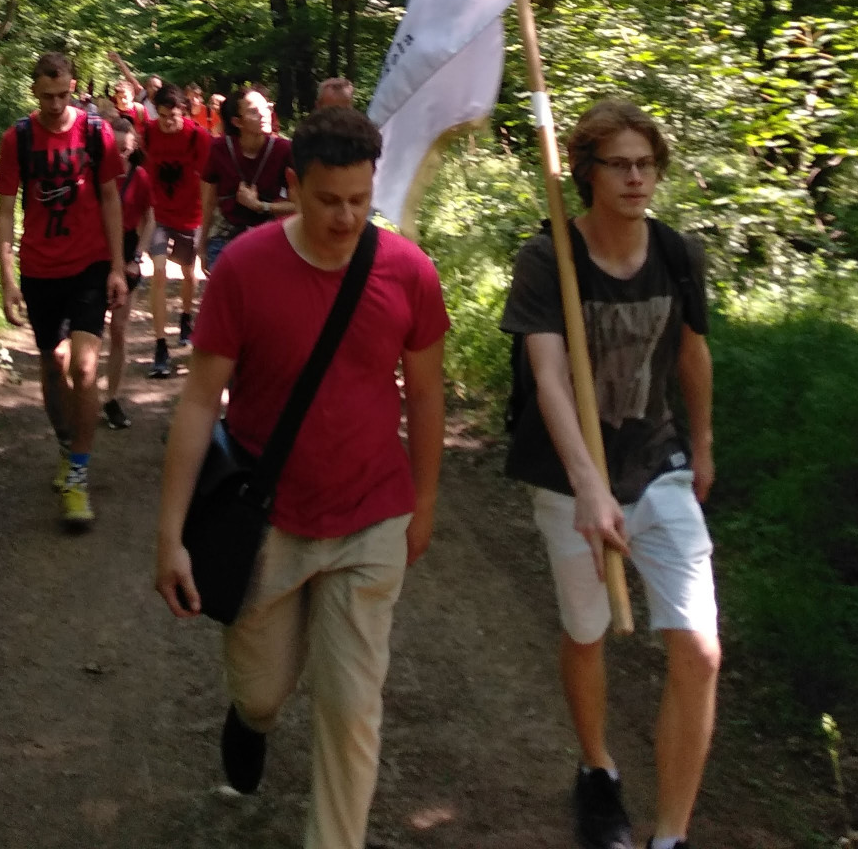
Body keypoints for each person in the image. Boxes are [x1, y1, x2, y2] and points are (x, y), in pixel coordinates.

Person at [156, 107, 449, 849]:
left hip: (372, 516)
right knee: (262, 692)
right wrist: (170, 535)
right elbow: (199, 402)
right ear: (292, 184)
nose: (346, 217)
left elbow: (426, 395)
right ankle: (249, 720)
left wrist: (423, 504)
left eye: (360, 199)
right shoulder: (245, 269)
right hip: (268, 520)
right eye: (327, 200)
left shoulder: (408, 272)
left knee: (351, 710)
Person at [500, 99, 718, 849]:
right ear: (586, 172)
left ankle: (671, 836)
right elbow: (549, 376)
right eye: (619, 164)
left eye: (646, 164)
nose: (635, 178)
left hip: (657, 463)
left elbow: (692, 352)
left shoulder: (677, 254)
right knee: (587, 628)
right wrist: (588, 485)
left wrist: (704, 444)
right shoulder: (549, 259)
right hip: (568, 475)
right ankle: (598, 770)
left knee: (700, 648)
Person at [0, 51, 128, 529]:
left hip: (89, 265)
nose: (54, 105)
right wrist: (8, 279)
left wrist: (117, 267)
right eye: (46, 95)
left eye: (62, 95)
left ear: (73, 87)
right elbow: (5, 212)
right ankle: (66, 445)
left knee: (85, 369)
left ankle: (78, 476)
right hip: (39, 269)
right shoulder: (18, 138)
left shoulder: (96, 132)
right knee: (54, 363)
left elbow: (110, 197)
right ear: (34, 89)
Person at [141, 83, 212, 377]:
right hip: (159, 215)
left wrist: (207, 222)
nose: (168, 122)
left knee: (188, 272)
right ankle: (160, 346)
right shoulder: (148, 133)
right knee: (158, 272)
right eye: (163, 115)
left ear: (184, 111)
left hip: (190, 216)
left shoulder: (197, 137)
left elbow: (208, 182)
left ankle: (185, 317)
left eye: (174, 116)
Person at [199, 85, 293, 271]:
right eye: (253, 111)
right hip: (224, 237)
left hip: (267, 238)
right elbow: (209, 201)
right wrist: (202, 245)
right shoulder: (220, 148)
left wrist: (260, 206)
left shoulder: (284, 150)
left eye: (266, 107)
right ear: (237, 122)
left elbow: (301, 205)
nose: (264, 114)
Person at [102, 115, 153, 431]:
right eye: (115, 149)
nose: (120, 155)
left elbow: (150, 219)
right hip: (96, 252)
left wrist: (137, 257)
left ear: (133, 149)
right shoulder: (95, 173)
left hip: (127, 251)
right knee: (90, 329)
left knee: (118, 330)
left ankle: (111, 398)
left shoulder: (141, 177)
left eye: (125, 150)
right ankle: (82, 390)